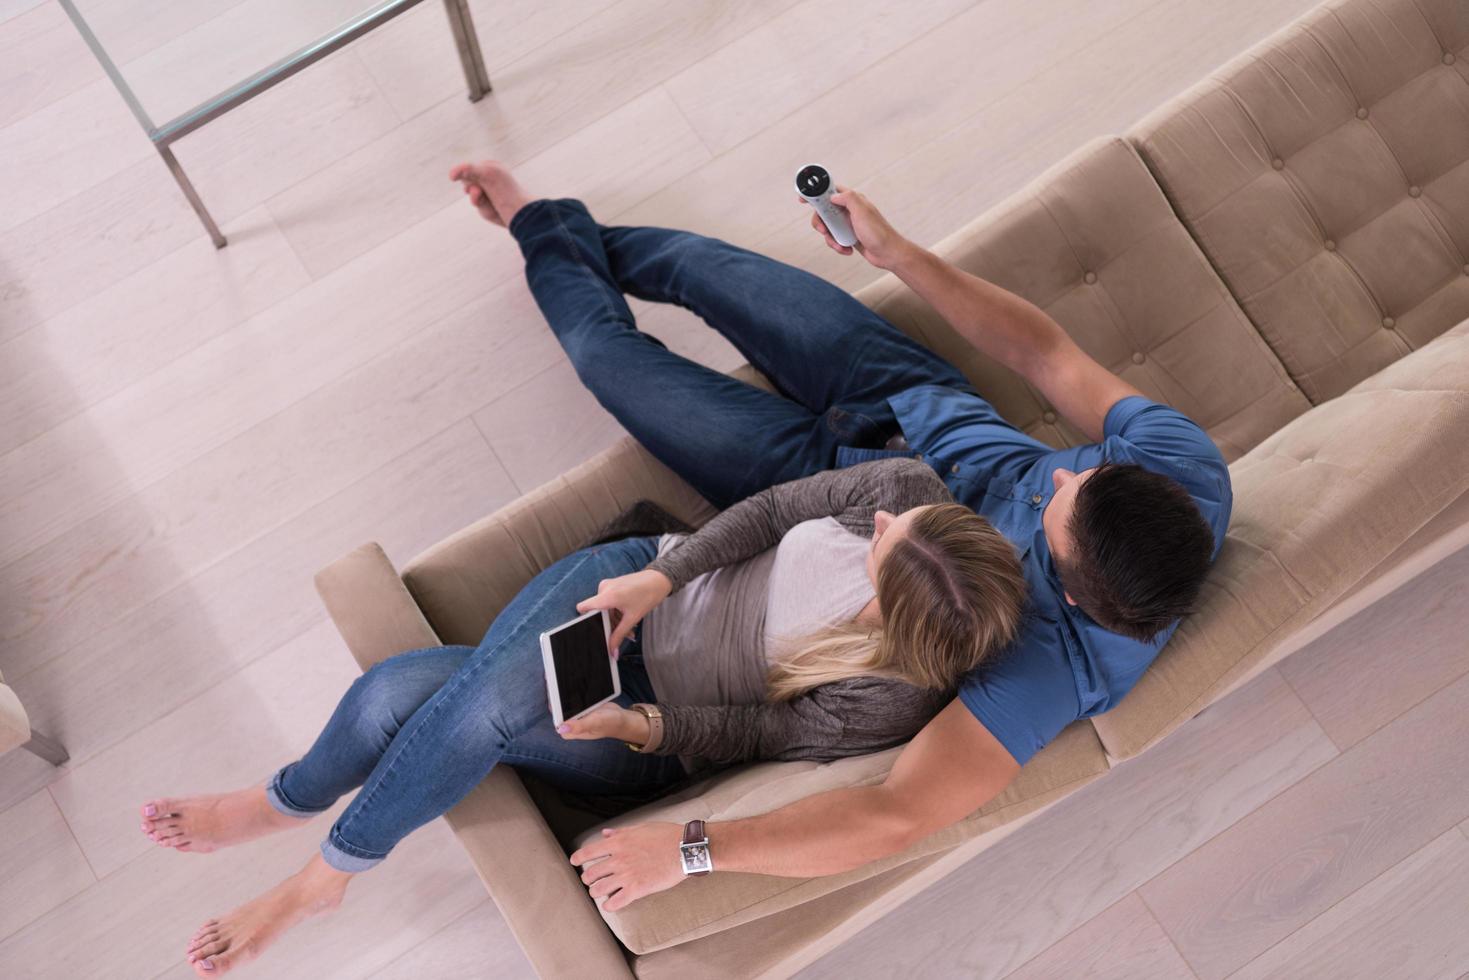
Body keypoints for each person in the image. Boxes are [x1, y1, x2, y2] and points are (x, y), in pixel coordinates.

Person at [439, 161, 1230, 911]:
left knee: (608, 359)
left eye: (1059, 504)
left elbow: (894, 813)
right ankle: (549, 226)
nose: (1059, 473)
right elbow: (1040, 351)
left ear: (1060, 589)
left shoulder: (1050, 670)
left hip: (818, 502)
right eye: (1082, 472)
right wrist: (899, 255)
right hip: (908, 398)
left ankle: (532, 223)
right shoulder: (1180, 471)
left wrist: (689, 851)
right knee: (697, 263)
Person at [139, 455, 1028, 976]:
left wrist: (637, 728)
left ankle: (311, 854)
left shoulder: (893, 695)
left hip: (653, 722)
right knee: (438, 695)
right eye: (900, 520)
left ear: (893, 608)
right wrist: (659, 577)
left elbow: (758, 736)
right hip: (639, 584)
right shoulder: (908, 486)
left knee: (418, 694)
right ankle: (301, 832)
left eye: (883, 544)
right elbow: (766, 514)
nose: (879, 520)